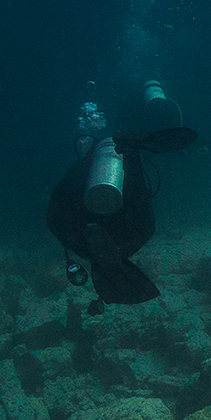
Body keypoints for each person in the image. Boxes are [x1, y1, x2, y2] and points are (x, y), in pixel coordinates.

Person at [47, 81, 195, 307]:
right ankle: (131, 147)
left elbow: (55, 213)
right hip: (116, 223)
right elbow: (144, 217)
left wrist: (95, 249)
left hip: (91, 225)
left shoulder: (81, 175)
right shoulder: (124, 231)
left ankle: (130, 148)